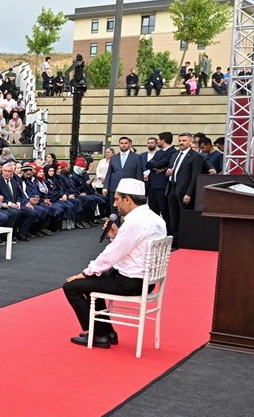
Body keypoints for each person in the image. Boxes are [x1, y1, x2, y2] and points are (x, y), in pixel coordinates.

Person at [62, 178, 166, 348]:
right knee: (95, 282)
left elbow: (113, 255)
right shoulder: (155, 218)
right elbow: (132, 249)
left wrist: (87, 272)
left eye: (117, 199)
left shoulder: (135, 221)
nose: (115, 205)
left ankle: (97, 334)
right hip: (146, 281)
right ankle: (106, 332)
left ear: (128, 199)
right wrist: (115, 236)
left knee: (71, 287)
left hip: (130, 281)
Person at [165, 132, 205, 243]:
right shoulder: (175, 155)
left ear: (191, 142)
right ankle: (175, 239)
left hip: (184, 191)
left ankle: (184, 240)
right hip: (172, 188)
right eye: (180, 141)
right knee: (173, 216)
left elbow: (195, 177)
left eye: (184, 141)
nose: (181, 143)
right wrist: (167, 173)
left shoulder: (196, 156)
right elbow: (170, 170)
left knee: (184, 217)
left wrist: (189, 193)